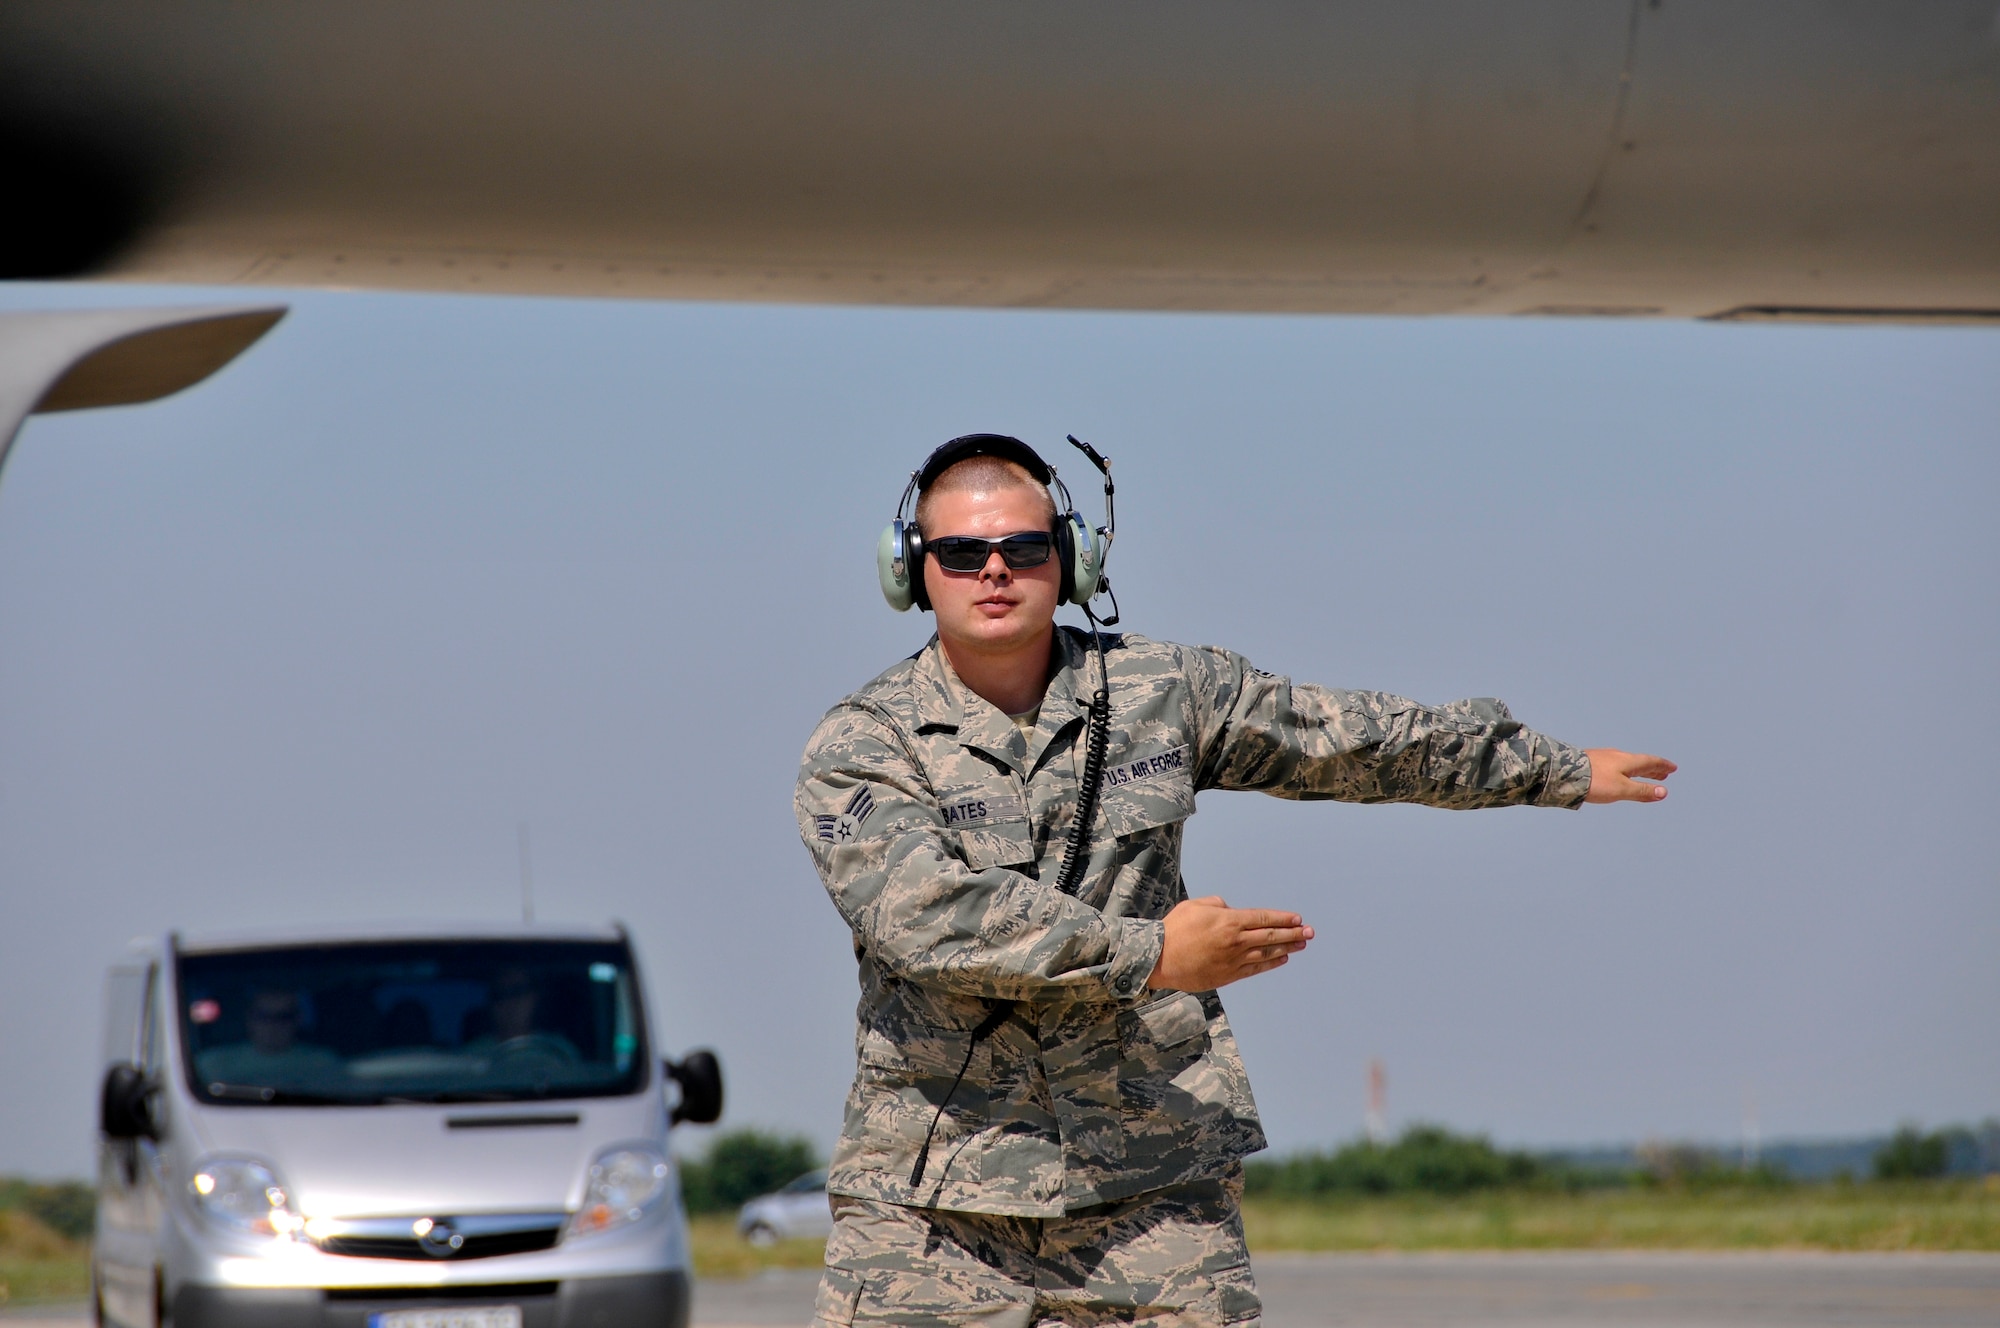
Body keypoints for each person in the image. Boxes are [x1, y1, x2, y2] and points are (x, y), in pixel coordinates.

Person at [795, 435, 1674, 1327]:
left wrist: (1547, 768)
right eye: (960, 552)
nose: (995, 570)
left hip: (1153, 1182)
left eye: (1025, 548)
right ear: (911, 567)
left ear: (1071, 559)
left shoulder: (1163, 691)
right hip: (934, 1208)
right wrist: (1154, 955)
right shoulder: (864, 745)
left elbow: (1341, 736)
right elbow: (927, 917)